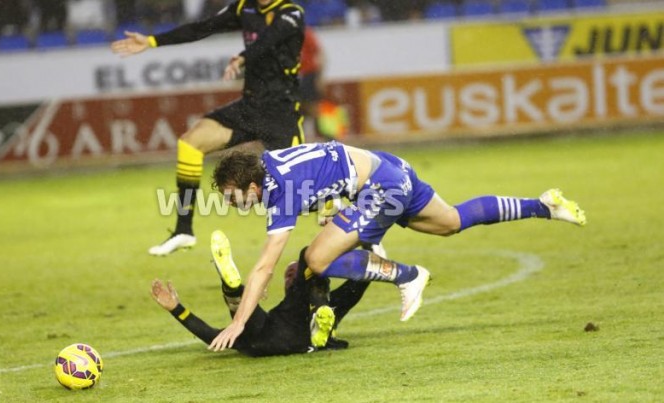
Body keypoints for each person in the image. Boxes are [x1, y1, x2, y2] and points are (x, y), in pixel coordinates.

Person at [207, 140, 587, 351]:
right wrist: (333, 203)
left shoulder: (281, 195)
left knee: (314, 259)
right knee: (451, 222)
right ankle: (545, 206)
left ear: (253, 188)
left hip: (381, 188)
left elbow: (264, 267)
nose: (229, 203)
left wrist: (240, 322)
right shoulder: (267, 162)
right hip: (391, 167)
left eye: (230, 196)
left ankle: (409, 276)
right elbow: (324, 159)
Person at [110, 0, 307, 256]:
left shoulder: (291, 13)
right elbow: (204, 27)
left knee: (307, 190)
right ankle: (184, 231)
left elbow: (270, 39)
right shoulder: (243, 7)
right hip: (249, 107)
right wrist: (152, 41)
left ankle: (362, 234)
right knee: (191, 143)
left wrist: (242, 57)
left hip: (280, 112)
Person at [150, 230, 370, 357]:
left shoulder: (278, 316)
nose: (290, 276)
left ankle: (233, 288)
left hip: (261, 345)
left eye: (291, 274)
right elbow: (357, 285)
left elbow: (213, 336)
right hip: (299, 339)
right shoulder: (320, 304)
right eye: (289, 275)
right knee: (311, 258)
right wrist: (367, 241)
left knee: (242, 321)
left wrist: (177, 309)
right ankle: (318, 310)